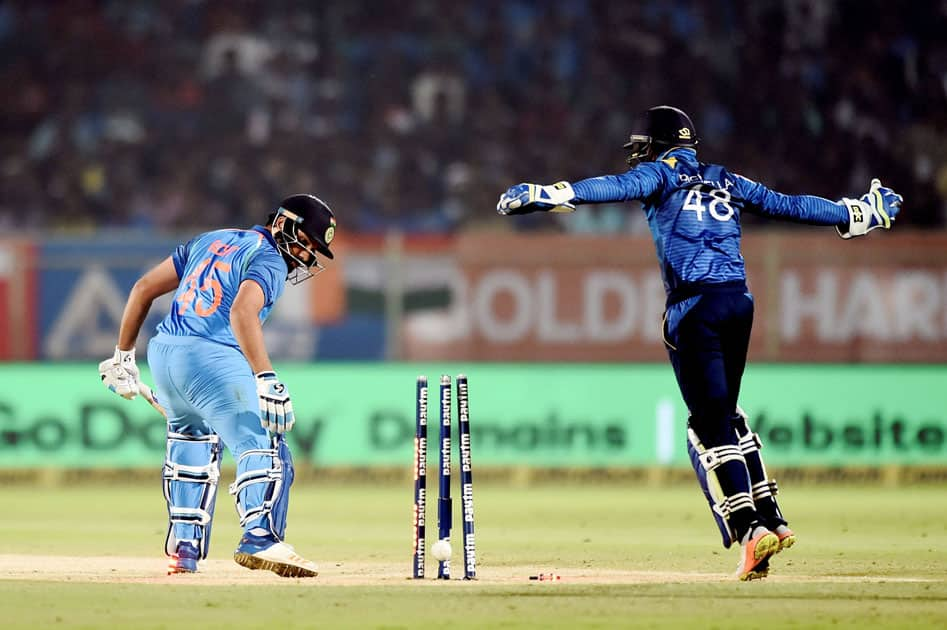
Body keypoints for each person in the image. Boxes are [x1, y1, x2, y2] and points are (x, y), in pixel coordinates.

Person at [496, 105, 903, 581]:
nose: (638, 156)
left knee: (706, 428)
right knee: (728, 415)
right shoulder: (724, 179)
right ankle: (771, 516)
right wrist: (859, 213)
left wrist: (551, 194)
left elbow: (611, 186)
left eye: (642, 147)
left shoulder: (659, 175)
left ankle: (750, 531)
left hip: (695, 307)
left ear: (656, 145)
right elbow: (790, 204)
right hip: (739, 302)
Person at [98, 194, 338, 577]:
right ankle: (260, 535)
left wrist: (123, 355)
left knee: (191, 442)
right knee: (263, 440)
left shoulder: (211, 238)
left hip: (165, 354)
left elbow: (143, 287)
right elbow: (242, 311)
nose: (306, 255)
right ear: (281, 224)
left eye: (313, 249)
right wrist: (266, 377)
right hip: (211, 356)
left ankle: (184, 549)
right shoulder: (269, 257)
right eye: (305, 241)